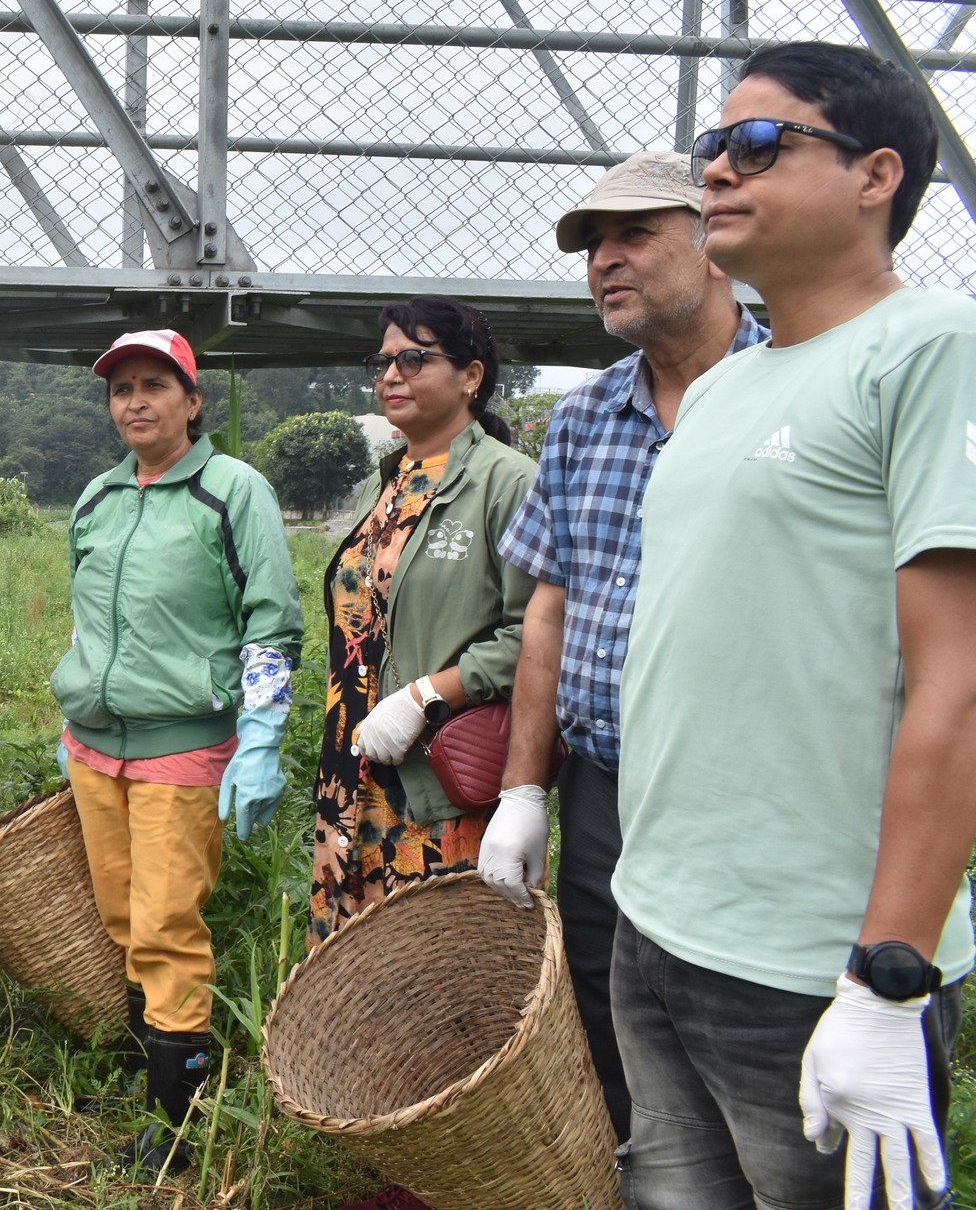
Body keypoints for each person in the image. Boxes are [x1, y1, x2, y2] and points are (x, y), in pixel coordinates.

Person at [612, 42, 973, 1210]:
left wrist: (886, 980)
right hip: (655, 920)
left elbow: (957, 687)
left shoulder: (930, 350)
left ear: (875, 177)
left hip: (809, 960)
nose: (715, 167)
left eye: (758, 142)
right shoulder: (727, 385)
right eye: (710, 145)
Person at [483, 151, 768, 1141]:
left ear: (716, 242)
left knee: (745, 1018)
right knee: (608, 1003)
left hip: (748, 788)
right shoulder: (579, 420)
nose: (603, 258)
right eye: (590, 244)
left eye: (633, 233)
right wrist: (524, 789)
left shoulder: (795, 393)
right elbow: (548, 614)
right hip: (603, 785)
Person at [51, 329, 300, 1174]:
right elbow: (90, 619)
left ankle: (177, 1124)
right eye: (121, 388)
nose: (136, 401)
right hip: (95, 748)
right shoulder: (97, 498)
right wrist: (74, 716)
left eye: (155, 384)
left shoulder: (233, 491)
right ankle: (145, 1078)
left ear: (193, 400)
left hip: (184, 746)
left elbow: (271, 622)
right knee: (123, 917)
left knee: (164, 926)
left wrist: (262, 738)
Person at [308, 296, 534, 948]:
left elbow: (535, 635)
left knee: (435, 978)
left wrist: (423, 695)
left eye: (414, 357)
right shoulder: (389, 484)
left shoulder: (505, 482)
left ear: (471, 375)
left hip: (432, 785)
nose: (390, 375)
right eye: (382, 362)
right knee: (352, 974)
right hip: (349, 779)